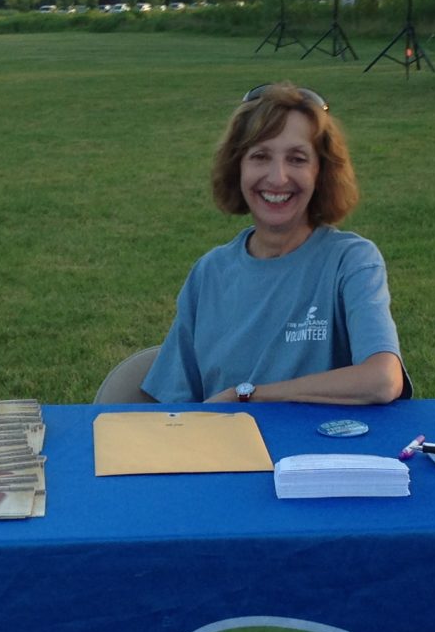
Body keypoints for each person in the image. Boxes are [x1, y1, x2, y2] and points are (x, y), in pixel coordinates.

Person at [142, 82, 408, 405]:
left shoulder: (351, 262)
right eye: (260, 156)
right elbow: (172, 407)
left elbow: (382, 379)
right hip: (223, 440)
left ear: (321, 172)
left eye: (297, 159)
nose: (278, 177)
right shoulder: (209, 273)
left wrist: (248, 395)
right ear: (237, 167)